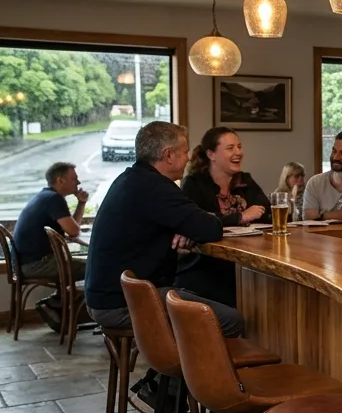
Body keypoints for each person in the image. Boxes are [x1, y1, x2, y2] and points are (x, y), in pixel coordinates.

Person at [84, 120, 245, 338]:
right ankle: (192, 372)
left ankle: (176, 371)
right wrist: (188, 226)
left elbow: (191, 223)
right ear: (168, 155)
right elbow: (211, 229)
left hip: (106, 297)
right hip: (123, 303)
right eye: (185, 151)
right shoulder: (157, 187)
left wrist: (182, 227)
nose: (188, 158)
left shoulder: (131, 179)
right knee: (230, 320)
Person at [175, 127, 270, 307]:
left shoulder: (245, 181)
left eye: (239, 147)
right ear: (211, 154)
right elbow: (196, 222)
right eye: (230, 148)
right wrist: (240, 217)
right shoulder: (194, 183)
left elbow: (267, 212)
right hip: (203, 268)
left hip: (243, 264)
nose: (238, 153)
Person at [12, 162, 88, 330]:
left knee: (90, 266)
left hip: (25, 263)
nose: (78, 182)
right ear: (60, 180)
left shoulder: (45, 196)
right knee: (98, 268)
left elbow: (71, 229)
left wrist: (81, 203)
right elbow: (74, 231)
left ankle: (57, 303)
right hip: (36, 265)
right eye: (74, 178)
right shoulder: (54, 199)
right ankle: (67, 307)